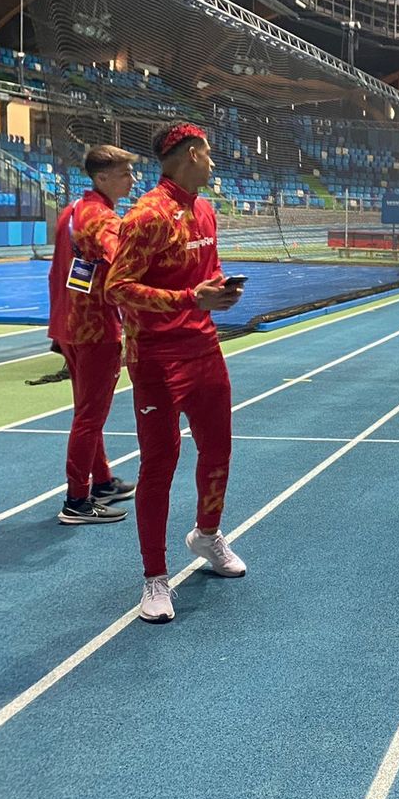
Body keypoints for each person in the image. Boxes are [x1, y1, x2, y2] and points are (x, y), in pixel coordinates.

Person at [107, 124, 246, 624]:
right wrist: (190, 299)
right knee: (160, 464)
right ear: (191, 154)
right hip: (156, 359)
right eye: (208, 155)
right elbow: (116, 287)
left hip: (204, 346)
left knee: (218, 449)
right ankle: (154, 578)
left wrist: (218, 293)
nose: (214, 164)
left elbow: (203, 277)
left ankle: (206, 536)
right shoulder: (145, 216)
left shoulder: (204, 210)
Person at [49, 144, 138, 524]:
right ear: (102, 178)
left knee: (88, 411)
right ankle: (77, 500)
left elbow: (58, 271)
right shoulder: (102, 220)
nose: (132, 180)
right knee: (89, 415)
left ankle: (100, 480)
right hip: (95, 329)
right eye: (124, 174)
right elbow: (125, 265)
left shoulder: (72, 211)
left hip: (67, 323)